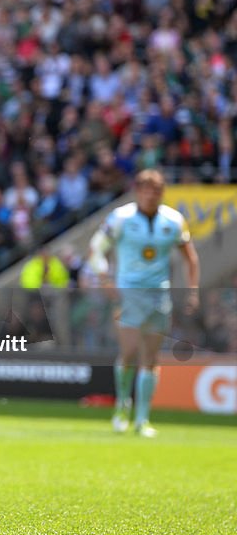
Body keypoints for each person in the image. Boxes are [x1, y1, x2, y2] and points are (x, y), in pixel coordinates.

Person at [88, 169, 199, 438]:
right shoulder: (121, 218)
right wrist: (105, 279)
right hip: (128, 294)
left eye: (156, 191)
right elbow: (96, 249)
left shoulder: (173, 221)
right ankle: (122, 407)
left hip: (159, 295)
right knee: (128, 353)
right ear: (138, 191)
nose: (151, 196)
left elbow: (190, 258)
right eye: (147, 190)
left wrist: (193, 290)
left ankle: (142, 418)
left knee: (150, 358)